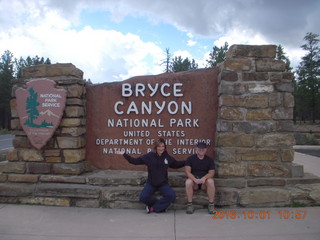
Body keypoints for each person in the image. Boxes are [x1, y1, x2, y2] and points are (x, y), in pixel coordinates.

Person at [116, 138, 185, 213]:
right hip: (151, 183)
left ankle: (152, 208)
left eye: (163, 146)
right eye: (159, 146)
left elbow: (176, 165)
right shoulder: (149, 156)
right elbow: (135, 161)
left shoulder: (167, 157)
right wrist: (124, 154)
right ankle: (160, 206)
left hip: (163, 184)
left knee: (171, 196)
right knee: (143, 197)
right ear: (155, 147)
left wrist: (187, 161)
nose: (161, 148)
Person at [185, 141, 216, 214]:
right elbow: (187, 172)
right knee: (188, 182)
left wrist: (204, 178)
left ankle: (211, 205)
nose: (201, 150)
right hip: (194, 182)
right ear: (196, 149)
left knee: (210, 181)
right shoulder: (190, 159)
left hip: (204, 183)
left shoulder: (210, 160)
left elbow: (212, 173)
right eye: (199, 148)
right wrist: (194, 179)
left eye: (203, 148)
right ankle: (190, 205)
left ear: (206, 149)